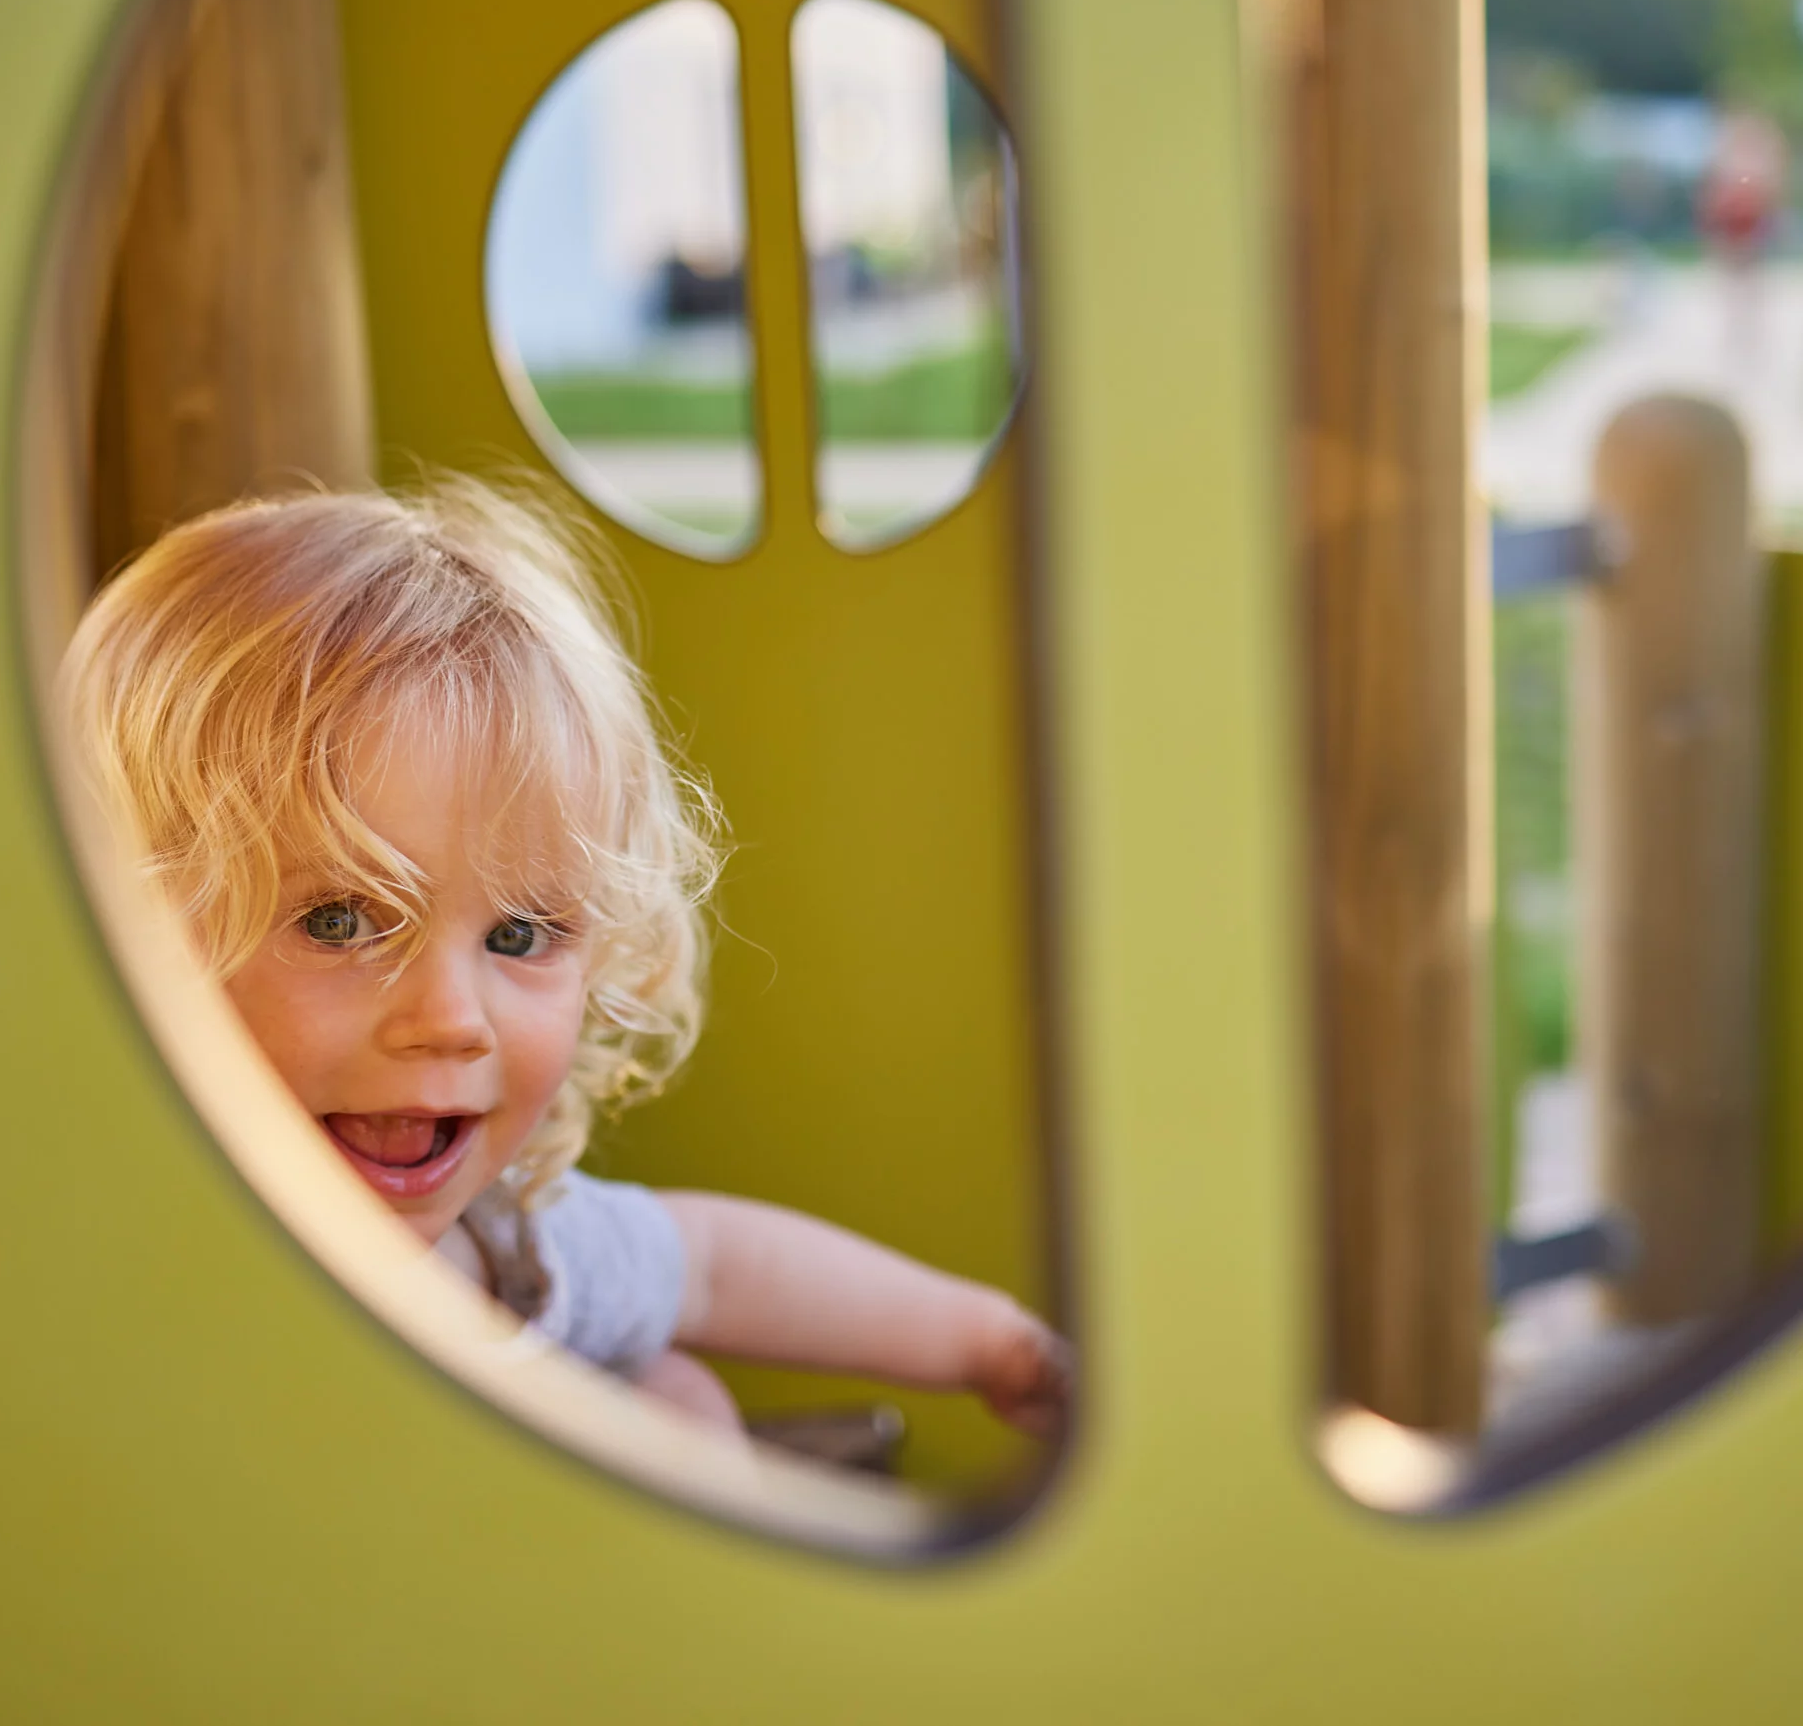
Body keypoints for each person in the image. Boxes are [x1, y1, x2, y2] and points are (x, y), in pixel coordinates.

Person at [61, 476, 1067, 1443]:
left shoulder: (504, 1253)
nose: (452, 1019)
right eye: (340, 922)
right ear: (124, 930)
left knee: (679, 1398)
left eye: (518, 937)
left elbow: (712, 1266)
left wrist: (994, 1344)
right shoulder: (108, 1273)